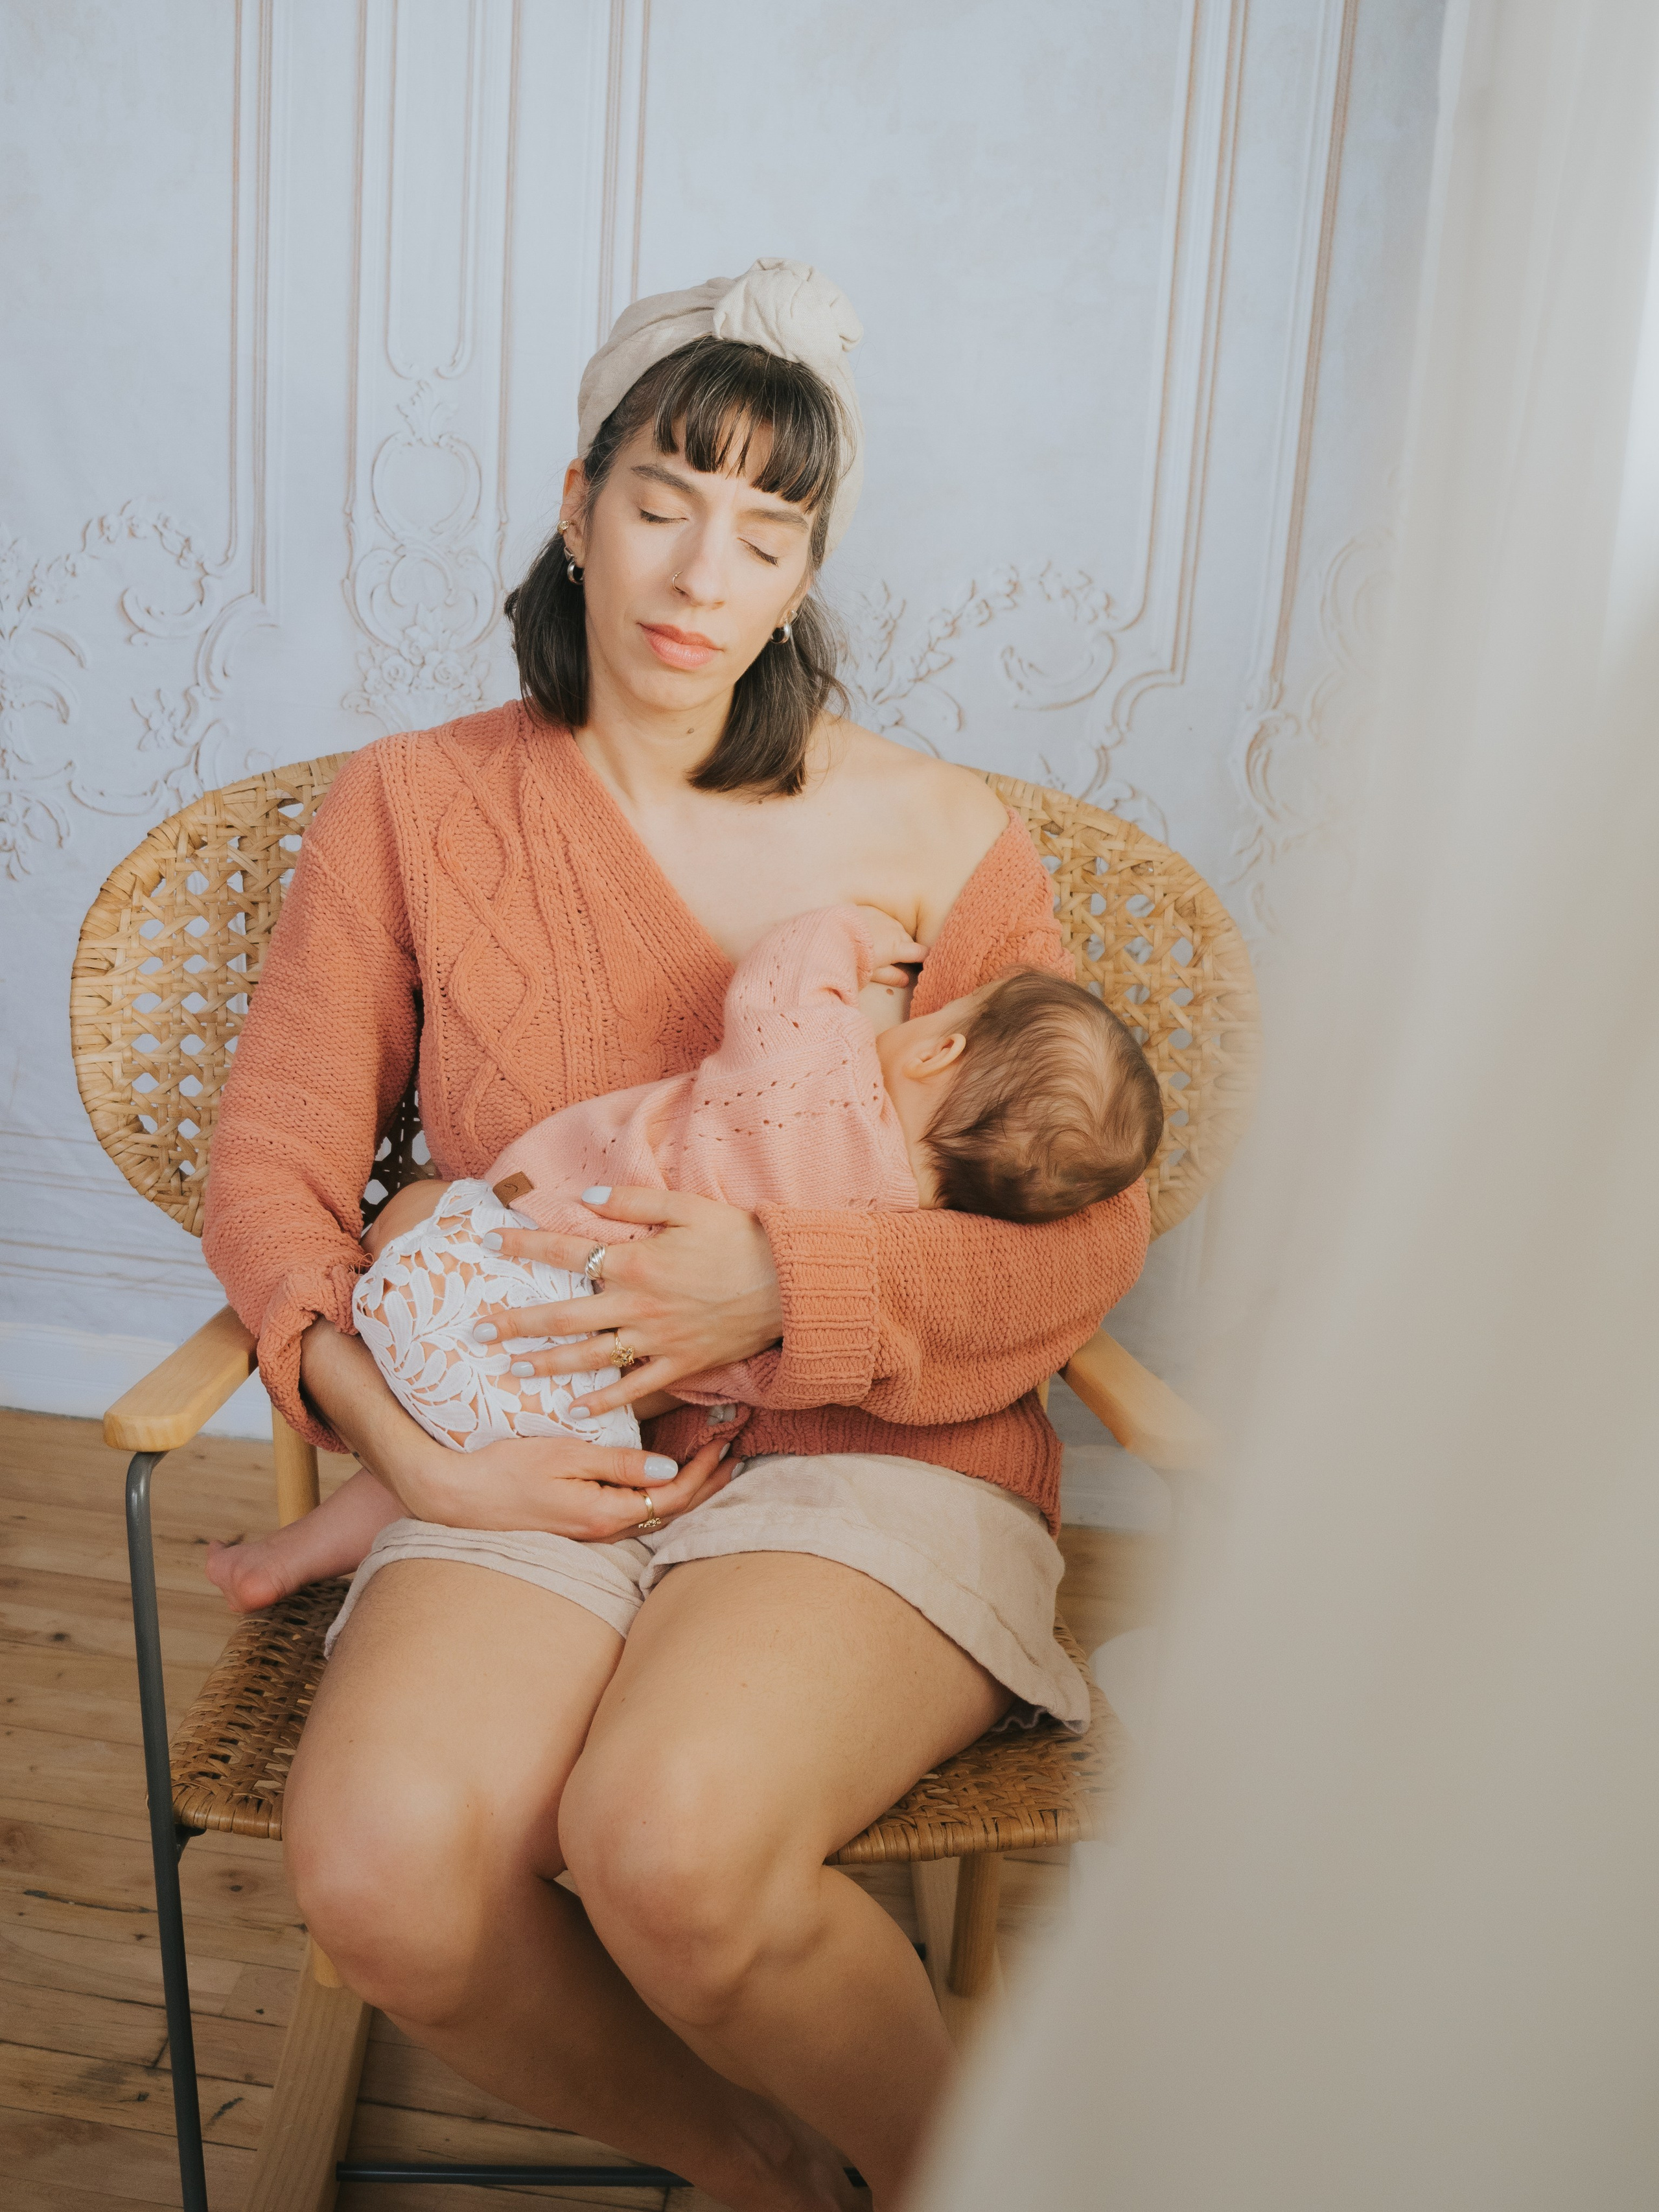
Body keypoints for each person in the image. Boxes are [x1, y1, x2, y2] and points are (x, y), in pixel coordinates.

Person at [202, 259, 1152, 2211]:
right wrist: (410, 1446)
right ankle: (763, 2163)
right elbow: (278, 1152)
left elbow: (1088, 1238)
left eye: (767, 525)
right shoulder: (414, 804)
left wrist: (784, 1286)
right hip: (529, 1442)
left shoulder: (935, 828)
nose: (700, 571)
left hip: (868, 1457)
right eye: (663, 497)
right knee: (378, 1861)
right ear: (578, 500)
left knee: (673, 1836)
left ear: (810, 566)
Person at [205, 900, 1162, 1623]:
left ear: (939, 1044)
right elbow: (745, 1372)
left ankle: (288, 1547)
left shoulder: (823, 1067)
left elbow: (781, 978)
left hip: (482, 1271)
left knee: (410, 1211)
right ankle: (290, 1559)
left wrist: (853, 932)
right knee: (497, 1431)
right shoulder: (904, 1229)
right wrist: (676, 1461)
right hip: (576, 1411)